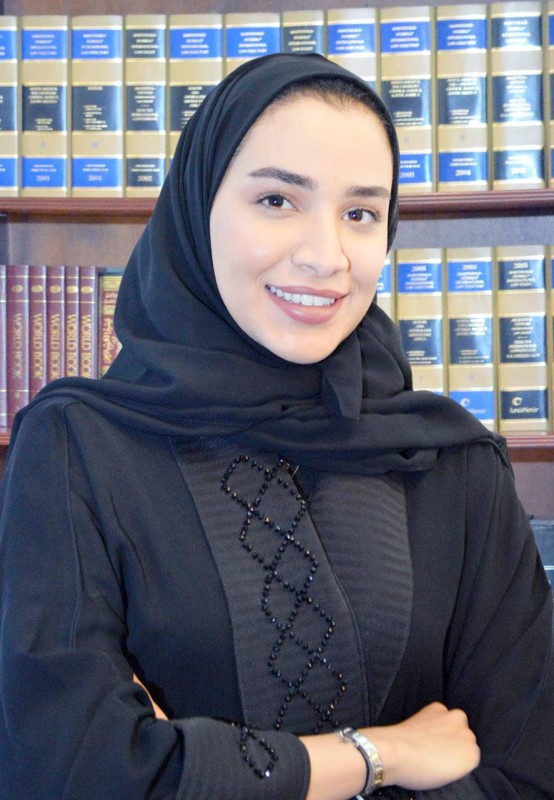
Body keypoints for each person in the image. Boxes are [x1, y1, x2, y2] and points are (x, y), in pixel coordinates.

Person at [0, 52, 552, 800]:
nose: (326, 257)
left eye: (360, 213)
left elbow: (529, 773)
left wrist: (185, 764)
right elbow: (70, 773)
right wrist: (380, 756)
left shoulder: (452, 461)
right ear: (199, 207)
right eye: (277, 200)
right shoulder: (78, 448)